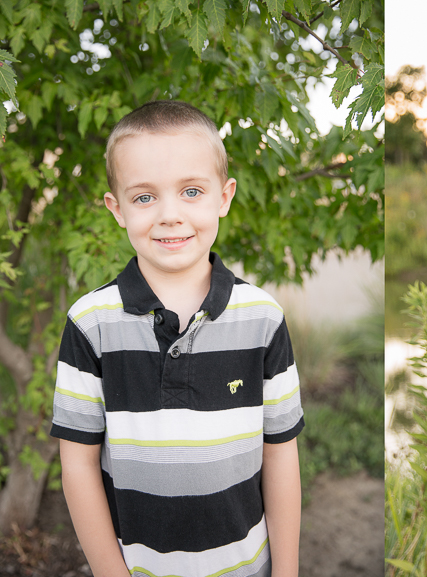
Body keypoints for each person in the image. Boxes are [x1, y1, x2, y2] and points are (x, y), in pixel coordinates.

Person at [50, 100, 304, 577]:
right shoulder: (90, 323)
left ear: (224, 197)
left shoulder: (263, 318)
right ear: (117, 208)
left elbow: (281, 454)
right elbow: (78, 465)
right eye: (144, 197)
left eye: (191, 191)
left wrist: (286, 572)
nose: (170, 215)